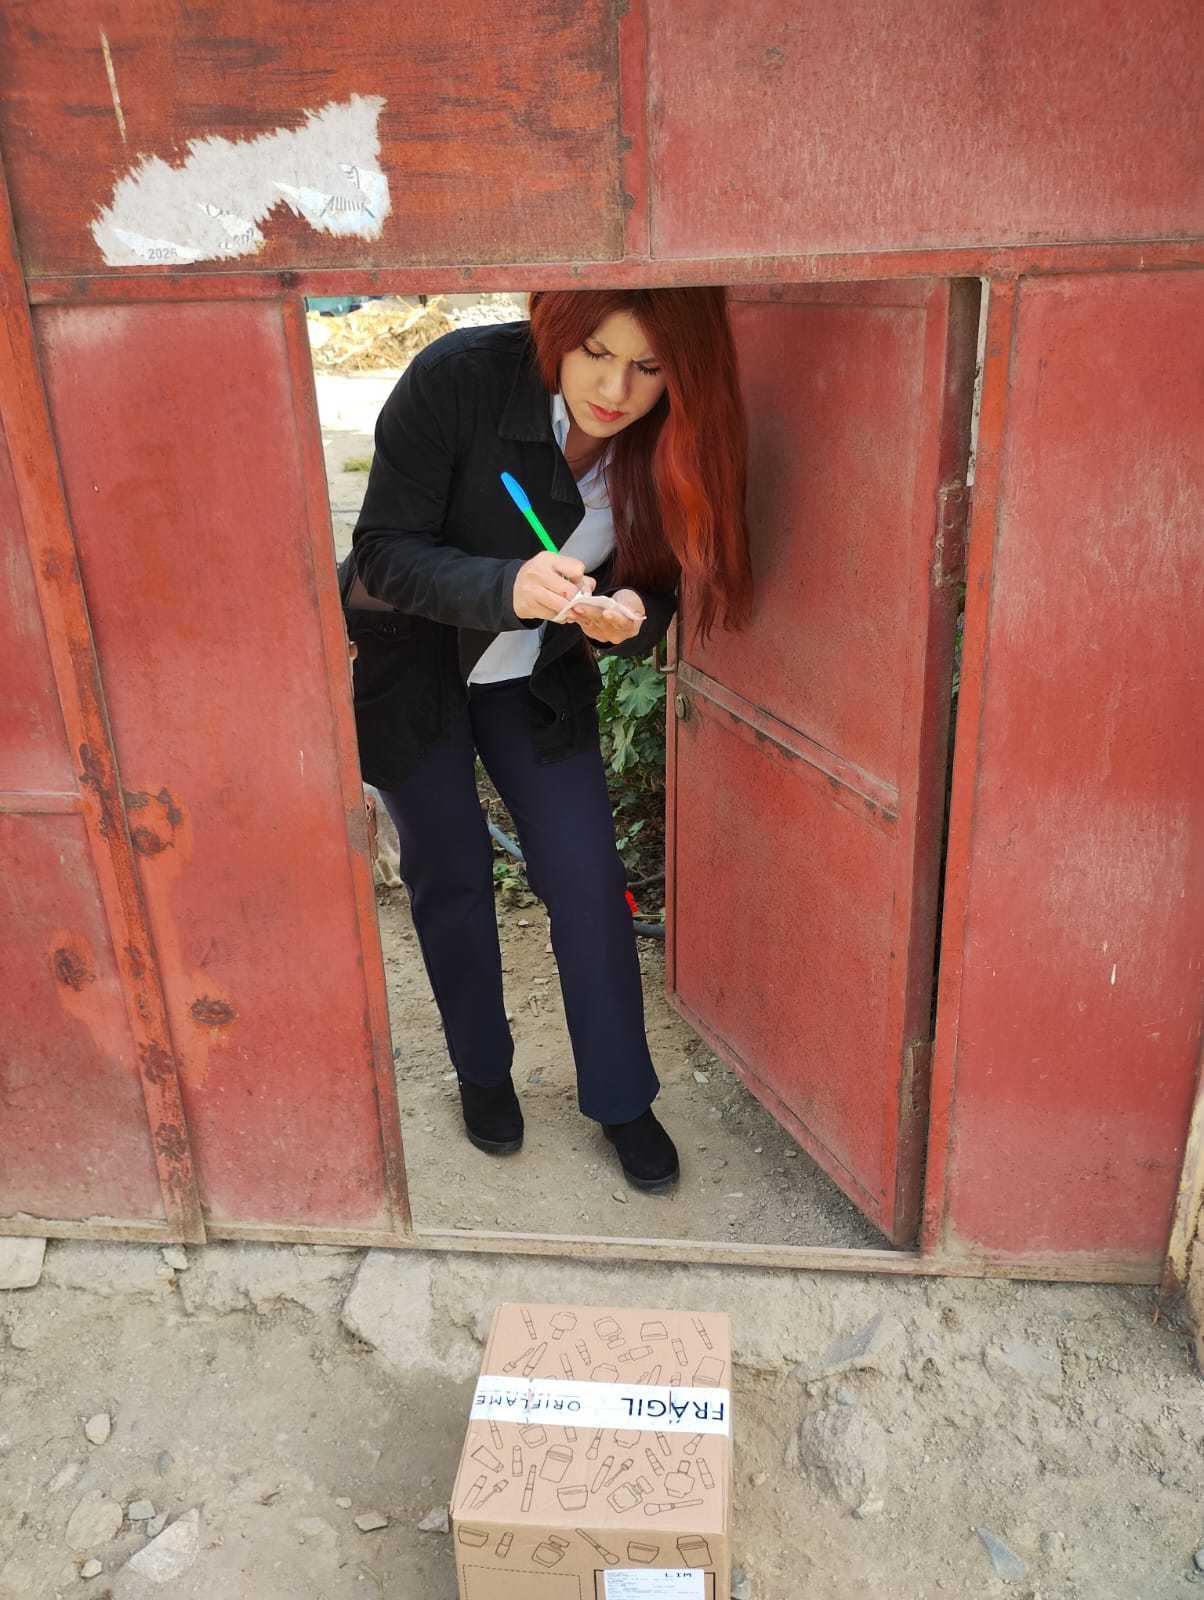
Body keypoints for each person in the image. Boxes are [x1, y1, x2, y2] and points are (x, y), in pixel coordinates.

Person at [341, 288, 751, 1192]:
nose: (616, 390)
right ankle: (483, 1073)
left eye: (649, 368)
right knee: (451, 873)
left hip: (534, 678)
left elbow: (658, 584)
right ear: (558, 331)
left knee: (589, 878)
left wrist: (633, 611)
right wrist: (506, 586)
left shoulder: (676, 433)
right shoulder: (459, 378)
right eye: (596, 354)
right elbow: (383, 551)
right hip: (413, 663)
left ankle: (621, 1098)